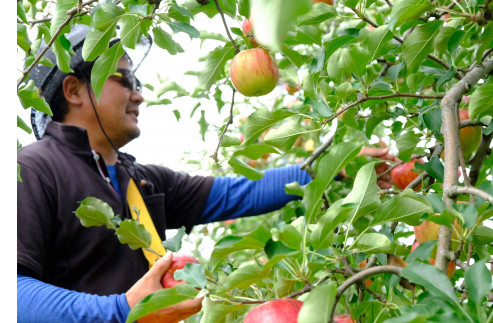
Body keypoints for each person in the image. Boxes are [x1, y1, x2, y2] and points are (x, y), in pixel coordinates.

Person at [17, 25, 395, 322]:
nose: (139, 95)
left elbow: (237, 194)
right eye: (126, 81)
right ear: (73, 90)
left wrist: (334, 169)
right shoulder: (33, 169)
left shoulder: (139, 181)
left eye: (140, 84)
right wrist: (122, 309)